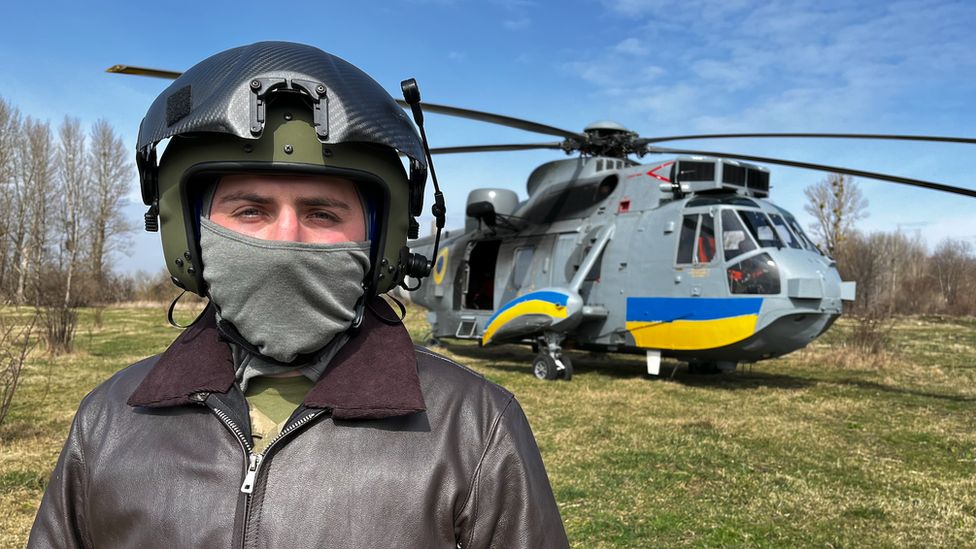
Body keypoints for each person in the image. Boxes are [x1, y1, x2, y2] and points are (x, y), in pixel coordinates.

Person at [29, 41, 568, 548]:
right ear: (187, 236)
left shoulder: (474, 427)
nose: (287, 240)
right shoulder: (108, 420)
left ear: (381, 242)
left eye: (322, 213)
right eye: (250, 211)